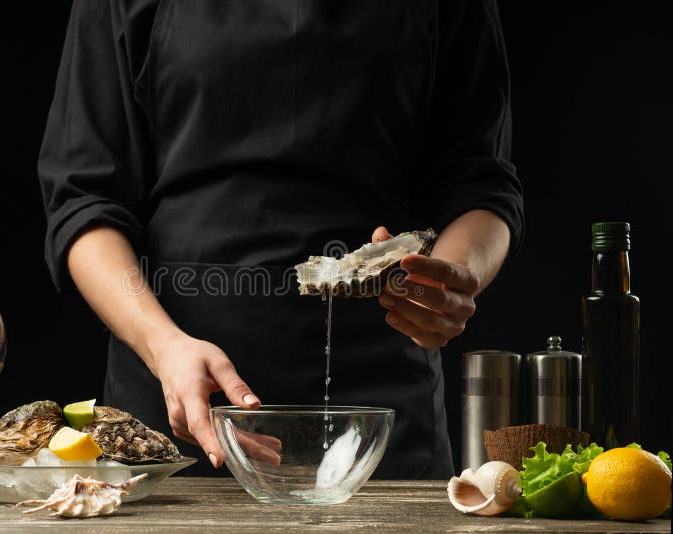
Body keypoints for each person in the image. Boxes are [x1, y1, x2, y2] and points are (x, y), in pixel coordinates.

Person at [39, 0, 524, 478]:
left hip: (380, 411)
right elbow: (84, 199)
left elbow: (482, 186)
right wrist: (162, 346)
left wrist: (448, 284)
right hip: (179, 404)